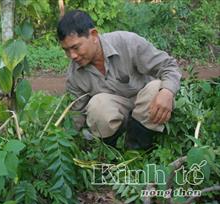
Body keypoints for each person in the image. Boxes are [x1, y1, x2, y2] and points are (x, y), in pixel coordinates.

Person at [57, 10, 181, 150]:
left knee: (156, 88)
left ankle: (137, 151)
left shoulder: (127, 43)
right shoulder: (74, 74)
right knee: (97, 106)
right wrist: (66, 142)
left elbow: (169, 66)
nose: (72, 55)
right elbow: (76, 114)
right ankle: (111, 151)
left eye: (75, 47)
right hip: (116, 118)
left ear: (94, 35)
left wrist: (167, 92)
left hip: (146, 109)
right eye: (66, 50)